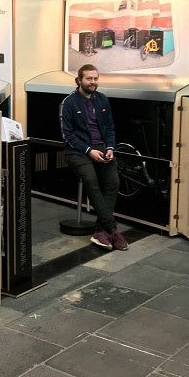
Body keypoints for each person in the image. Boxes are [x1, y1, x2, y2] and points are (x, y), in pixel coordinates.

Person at [59, 64, 128, 251]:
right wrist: (89, 150)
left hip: (102, 148)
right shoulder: (69, 103)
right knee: (91, 180)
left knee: (113, 182)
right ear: (79, 80)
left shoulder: (103, 100)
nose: (93, 82)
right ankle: (113, 229)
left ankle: (100, 231)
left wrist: (111, 147)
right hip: (77, 151)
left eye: (95, 78)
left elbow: (110, 128)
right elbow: (67, 135)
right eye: (89, 79)